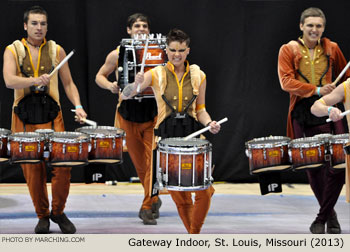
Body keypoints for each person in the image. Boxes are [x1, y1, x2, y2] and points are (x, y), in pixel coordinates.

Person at [121, 28, 221, 234]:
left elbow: (201, 109)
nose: (177, 54)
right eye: (173, 50)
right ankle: (195, 236)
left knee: (206, 191)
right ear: (166, 50)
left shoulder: (199, 75)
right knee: (180, 198)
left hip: (193, 139)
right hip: (166, 140)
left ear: (188, 51)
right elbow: (127, 94)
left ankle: (194, 234)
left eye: (181, 50)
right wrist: (135, 84)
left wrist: (210, 123)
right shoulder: (155, 74)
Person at [3, 6, 87, 234]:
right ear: (25, 25)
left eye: (42, 23)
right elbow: (9, 81)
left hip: (52, 115)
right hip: (23, 116)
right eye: (34, 23)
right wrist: (33, 81)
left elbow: (68, 83)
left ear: (47, 26)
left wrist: (78, 106)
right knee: (33, 170)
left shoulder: (56, 50)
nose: (39, 28)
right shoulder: (13, 50)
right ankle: (42, 216)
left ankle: (58, 212)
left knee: (63, 166)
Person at [278, 7, 349, 234]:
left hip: (330, 109)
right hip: (301, 111)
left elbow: (346, 79)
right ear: (301, 26)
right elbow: (286, 82)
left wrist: (334, 90)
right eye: (310, 25)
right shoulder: (288, 49)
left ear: (323, 28)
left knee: (337, 165)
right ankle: (329, 215)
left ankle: (322, 216)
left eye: (318, 26)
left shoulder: (332, 48)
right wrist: (317, 89)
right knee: (313, 167)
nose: (314, 29)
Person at [95, 13, 161, 225]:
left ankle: (146, 206)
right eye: (137, 26)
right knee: (140, 165)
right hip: (128, 114)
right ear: (129, 30)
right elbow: (99, 76)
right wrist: (111, 86)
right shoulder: (117, 53)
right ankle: (153, 197)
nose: (141, 29)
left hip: (153, 113)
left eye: (145, 26)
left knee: (152, 164)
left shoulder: (158, 53)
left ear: (149, 31)